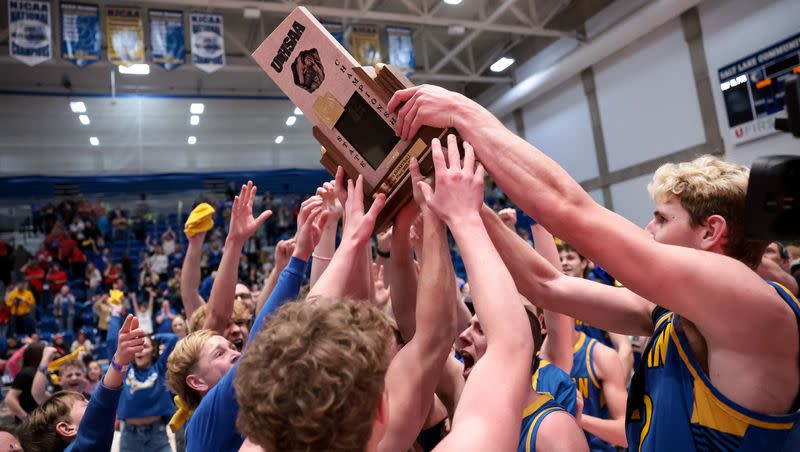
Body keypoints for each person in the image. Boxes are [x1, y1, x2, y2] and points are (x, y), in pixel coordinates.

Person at [389, 86, 800, 449]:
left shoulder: (749, 304)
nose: (647, 228)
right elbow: (545, 284)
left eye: (661, 218)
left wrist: (464, 112)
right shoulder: (675, 315)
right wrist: (469, 204)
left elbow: (572, 211)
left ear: (711, 231)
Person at [166, 183, 326, 452]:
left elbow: (270, 319)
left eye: (233, 344)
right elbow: (234, 321)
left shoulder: (258, 396)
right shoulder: (208, 413)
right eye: (220, 352)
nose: (236, 349)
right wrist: (297, 258)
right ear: (196, 382)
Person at [16, 314, 146, 452]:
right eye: (69, 375)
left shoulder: (89, 393)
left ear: (84, 377)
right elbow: (37, 392)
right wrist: (119, 361)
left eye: (78, 374)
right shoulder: (55, 403)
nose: (74, 378)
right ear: (60, 380)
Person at [107, 308, 178, 452]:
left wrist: (149, 337)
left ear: (153, 352)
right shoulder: (125, 370)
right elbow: (111, 342)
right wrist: (114, 316)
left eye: (144, 347)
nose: (140, 350)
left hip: (157, 434)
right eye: (136, 346)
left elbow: (172, 339)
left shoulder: (159, 368)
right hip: (129, 436)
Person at [5, 343, 45, 421]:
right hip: (32, 419)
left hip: (41, 417)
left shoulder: (41, 371)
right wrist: (26, 418)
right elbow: (9, 399)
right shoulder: (26, 373)